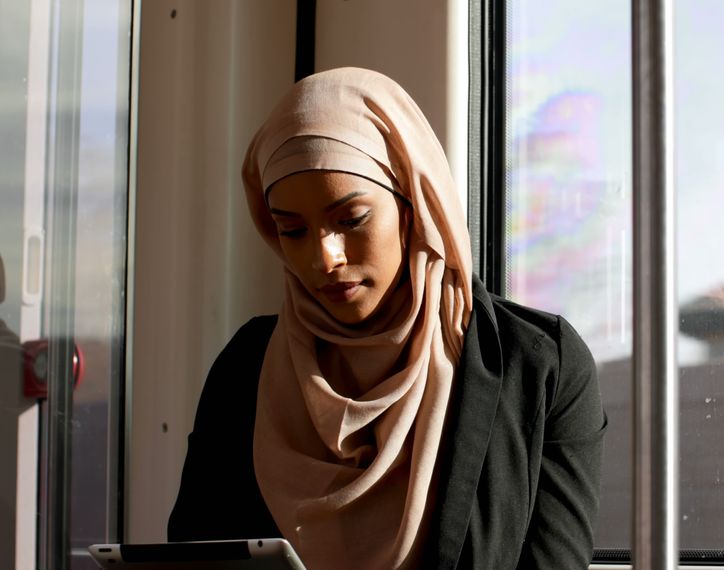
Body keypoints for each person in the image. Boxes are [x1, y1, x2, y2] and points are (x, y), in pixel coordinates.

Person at [167, 67, 606, 569]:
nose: (323, 258)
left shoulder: (541, 367)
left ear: (414, 205)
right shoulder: (246, 369)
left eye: (351, 219)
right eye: (291, 230)